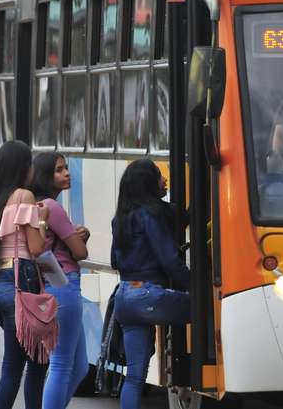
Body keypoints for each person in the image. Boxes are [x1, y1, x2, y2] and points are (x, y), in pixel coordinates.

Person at [111, 159, 190, 409]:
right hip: (148, 296)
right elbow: (169, 260)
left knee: (134, 377)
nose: (164, 179)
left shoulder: (121, 218)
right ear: (148, 183)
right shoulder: (149, 216)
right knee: (209, 308)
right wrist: (193, 286)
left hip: (124, 297)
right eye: (159, 175)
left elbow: (115, 260)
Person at [0, 140, 49, 409]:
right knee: (35, 363)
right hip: (22, 282)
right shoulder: (24, 196)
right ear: (23, 167)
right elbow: (37, 247)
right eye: (29, 163)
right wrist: (43, 220)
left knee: (15, 366)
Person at [31, 152, 91, 409]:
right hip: (64, 285)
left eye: (66, 168)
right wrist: (81, 238)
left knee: (79, 367)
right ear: (46, 175)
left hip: (52, 283)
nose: (66, 173)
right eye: (58, 170)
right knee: (62, 364)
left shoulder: (36, 205)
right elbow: (80, 253)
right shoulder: (52, 207)